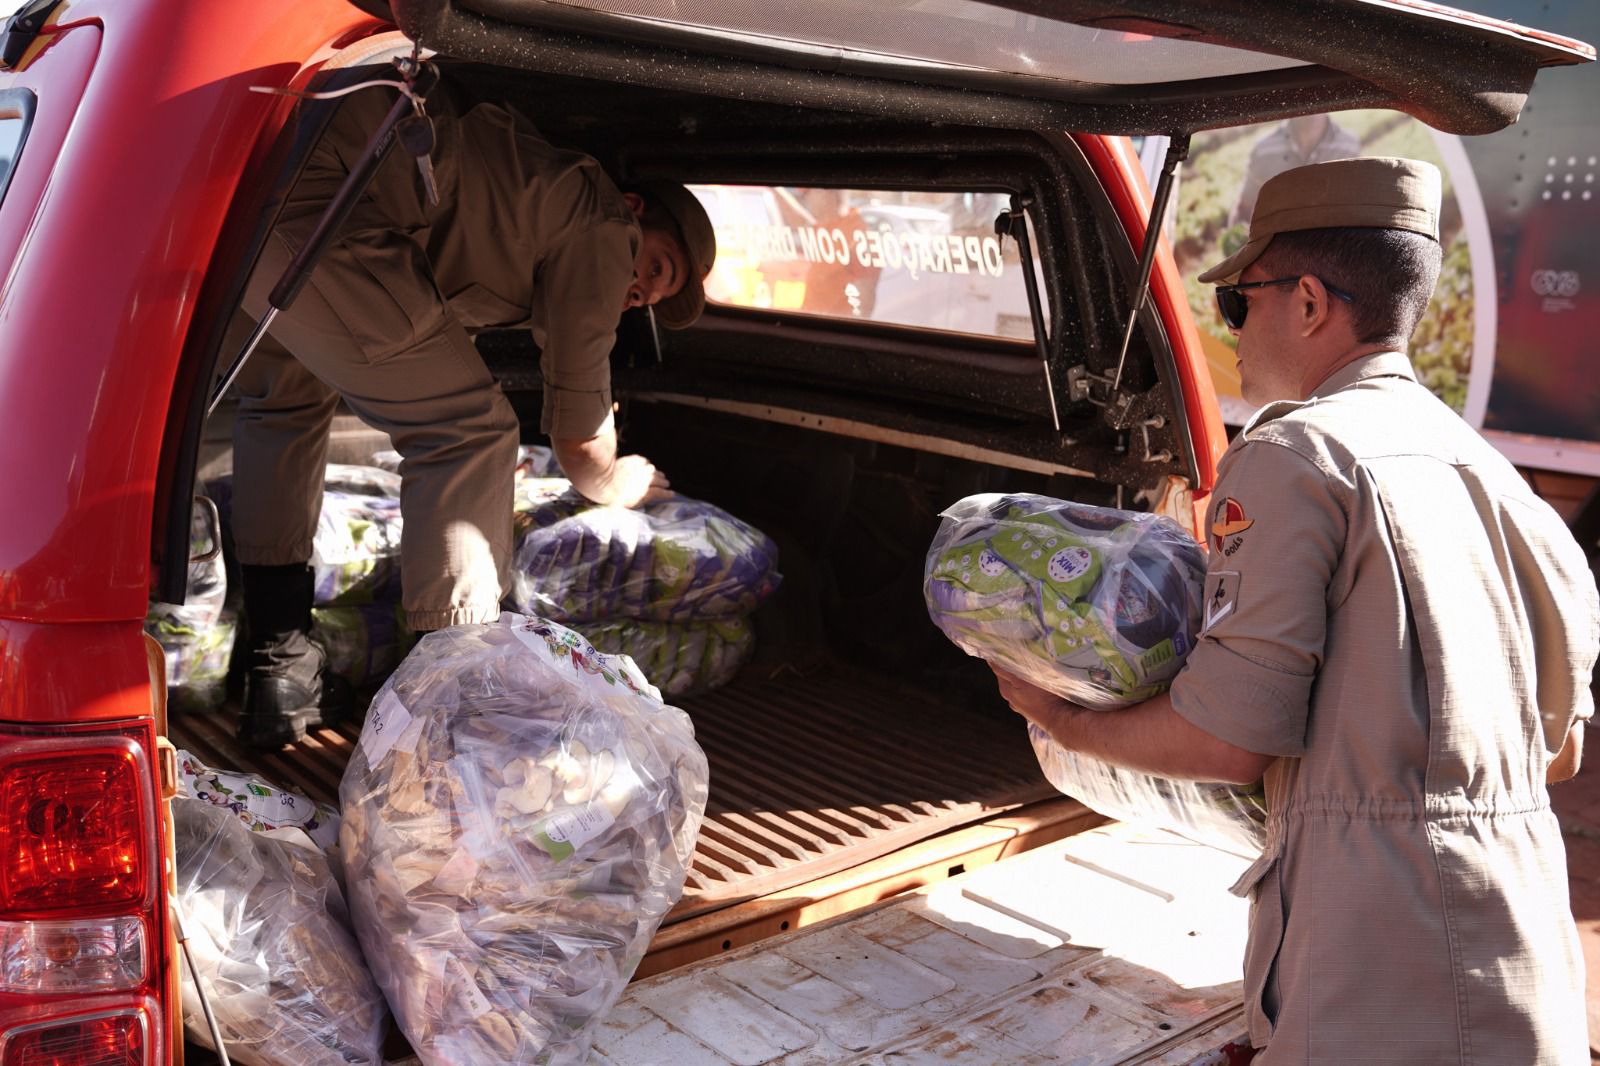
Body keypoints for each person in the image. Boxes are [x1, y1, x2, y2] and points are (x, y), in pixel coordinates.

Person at [993, 157, 1597, 1062]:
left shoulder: (1295, 455)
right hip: (1527, 974)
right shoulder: (1510, 488)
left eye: (1240, 302)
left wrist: (1062, 721)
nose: (1228, 330)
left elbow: (1227, 737)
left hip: (1378, 980)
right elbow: (1562, 751)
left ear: (1309, 302)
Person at [226, 79, 716, 748]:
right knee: (471, 431)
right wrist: (614, 478)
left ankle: (280, 667)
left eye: (651, 298)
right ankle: (447, 719)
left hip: (266, 178)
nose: (639, 292)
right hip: (333, 197)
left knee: (285, 402)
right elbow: (579, 437)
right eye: (657, 267)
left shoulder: (529, 207)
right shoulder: (605, 223)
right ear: (635, 211)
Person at [1229, 114, 1360, 226]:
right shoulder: (1263, 150)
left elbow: (1356, 207)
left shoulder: (1349, 147)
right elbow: (1244, 209)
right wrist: (1237, 237)